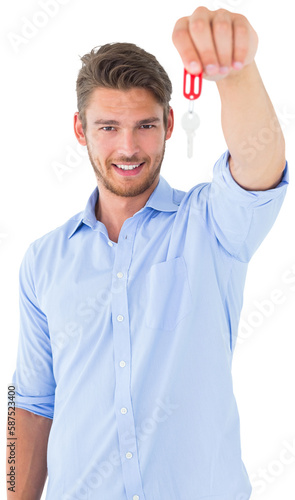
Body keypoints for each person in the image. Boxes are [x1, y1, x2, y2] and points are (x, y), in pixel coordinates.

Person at [8, 6, 288, 500]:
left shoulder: (212, 226)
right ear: (80, 130)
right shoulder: (43, 261)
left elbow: (259, 167)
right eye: (108, 127)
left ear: (170, 123)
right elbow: (29, 403)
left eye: (145, 125)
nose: (129, 147)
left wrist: (235, 74)